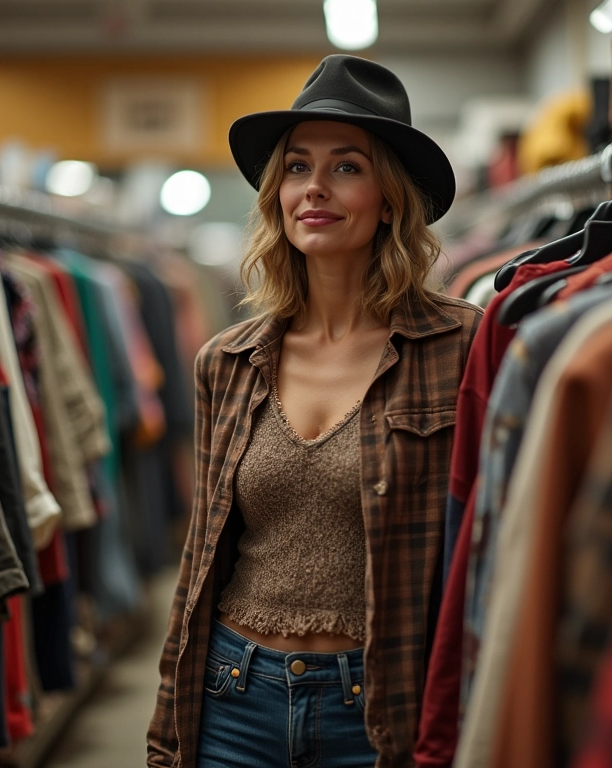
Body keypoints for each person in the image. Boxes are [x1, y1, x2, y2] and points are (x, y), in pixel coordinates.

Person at [147, 54, 483, 768]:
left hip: (380, 705)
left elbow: (485, 553)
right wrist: (166, 736)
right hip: (233, 696)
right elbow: (201, 558)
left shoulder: (461, 347)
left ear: (390, 197)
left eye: (348, 168)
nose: (315, 189)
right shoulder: (226, 363)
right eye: (297, 168)